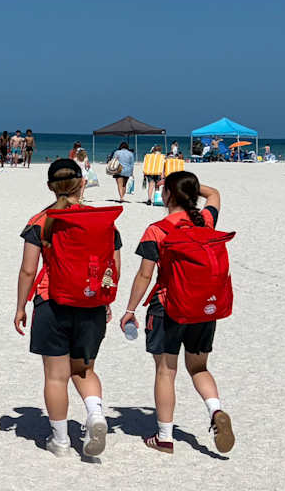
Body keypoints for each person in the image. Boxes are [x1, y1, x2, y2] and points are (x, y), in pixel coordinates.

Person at [118, 172, 234, 455]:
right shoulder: (205, 221)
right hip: (203, 307)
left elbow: (145, 275)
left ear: (167, 194)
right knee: (198, 368)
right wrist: (191, 188)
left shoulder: (157, 229)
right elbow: (215, 194)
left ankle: (165, 437)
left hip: (168, 306)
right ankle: (216, 410)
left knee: (166, 371)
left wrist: (130, 309)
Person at [13, 159, 121, 457]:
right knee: (84, 370)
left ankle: (60, 441)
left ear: (50, 186)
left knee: (55, 376)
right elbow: (114, 266)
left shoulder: (41, 220)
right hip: (91, 302)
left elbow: (27, 270)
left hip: (52, 301)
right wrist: (106, 300)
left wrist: (20, 306)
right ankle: (95, 414)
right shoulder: (102, 220)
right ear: (82, 183)